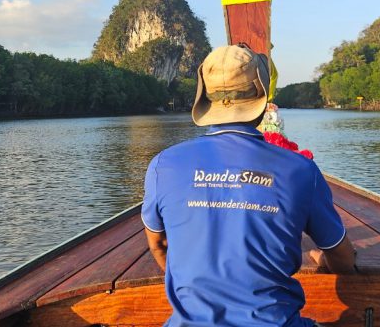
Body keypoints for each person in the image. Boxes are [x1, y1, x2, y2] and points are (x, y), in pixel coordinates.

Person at [142, 44, 356, 326]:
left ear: (204, 96)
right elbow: (341, 256)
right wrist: (326, 261)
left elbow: (158, 245)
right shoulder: (300, 170)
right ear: (262, 95)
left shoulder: (163, 165)